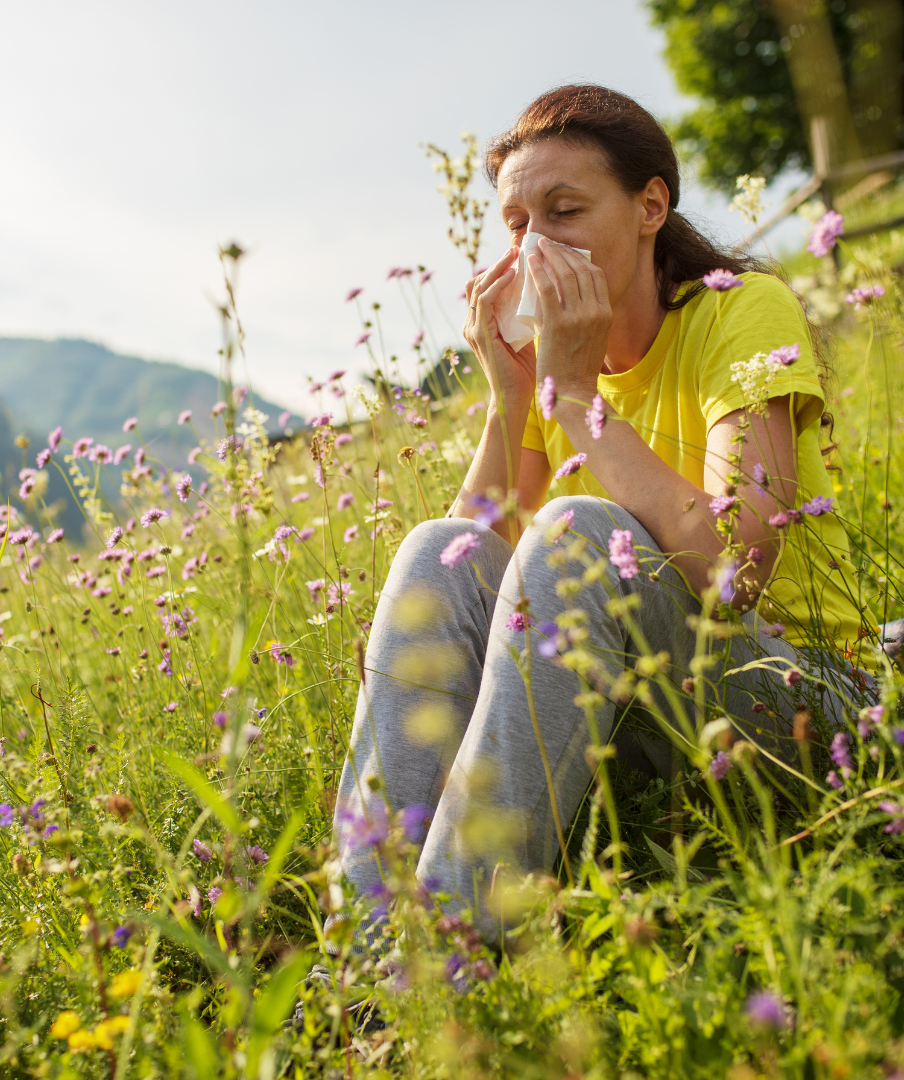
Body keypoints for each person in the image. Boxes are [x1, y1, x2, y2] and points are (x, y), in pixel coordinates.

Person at [333, 85, 875, 941]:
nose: (536, 243)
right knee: (436, 543)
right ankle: (362, 955)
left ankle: (442, 954)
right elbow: (463, 579)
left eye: (566, 209)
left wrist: (576, 392)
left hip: (798, 701)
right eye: (517, 224)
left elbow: (732, 574)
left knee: (578, 533)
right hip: (644, 716)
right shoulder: (555, 368)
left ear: (650, 205)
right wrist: (513, 396)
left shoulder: (740, 310)